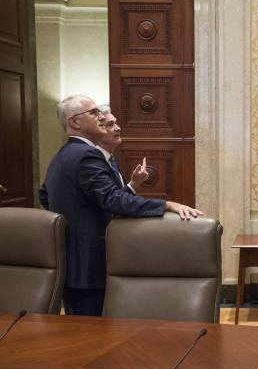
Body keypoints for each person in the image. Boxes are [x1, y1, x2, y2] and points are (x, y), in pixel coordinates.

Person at [39, 95, 202, 316]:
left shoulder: (61, 155)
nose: (100, 117)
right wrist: (167, 205)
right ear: (74, 122)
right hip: (90, 266)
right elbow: (113, 200)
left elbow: (45, 196)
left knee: (81, 332)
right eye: (94, 113)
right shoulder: (86, 154)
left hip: (71, 262)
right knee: (94, 335)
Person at [96, 106, 147, 193]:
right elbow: (110, 202)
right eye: (110, 124)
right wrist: (134, 184)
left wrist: (134, 183)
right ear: (97, 130)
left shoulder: (110, 158)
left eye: (116, 123)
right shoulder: (94, 162)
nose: (118, 128)